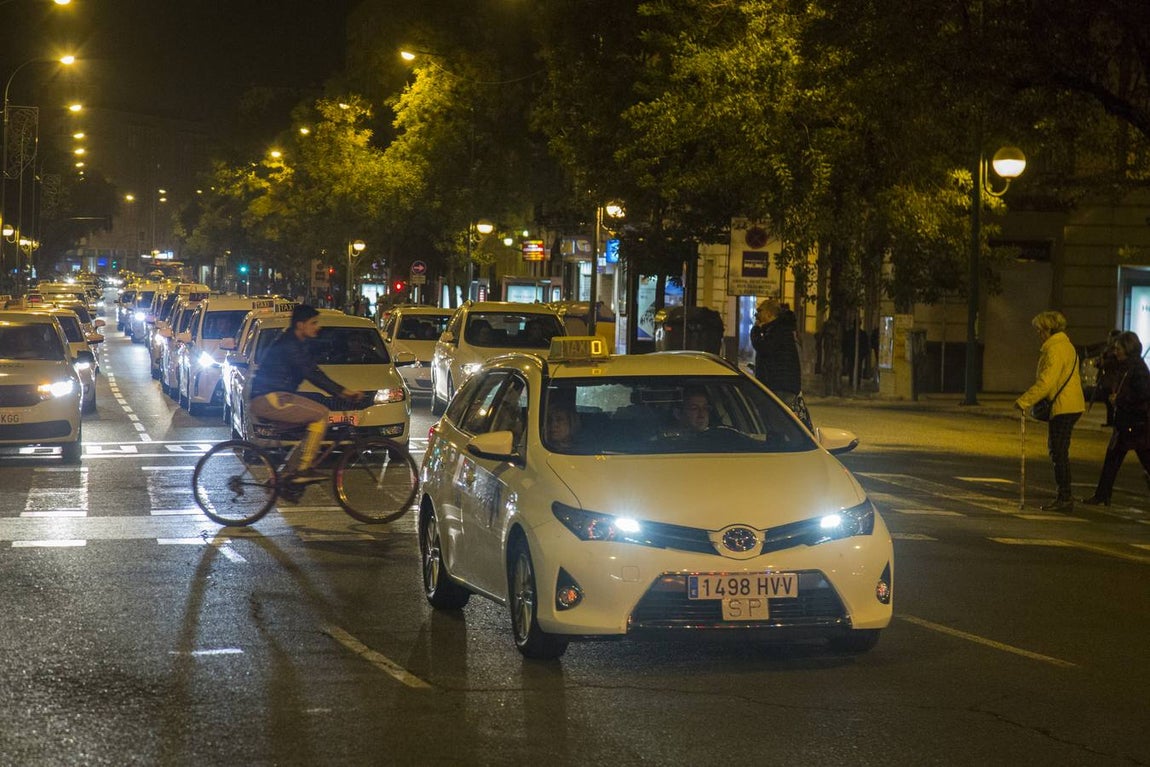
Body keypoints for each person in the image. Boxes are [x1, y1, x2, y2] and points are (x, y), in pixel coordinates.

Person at [248, 305, 365, 483]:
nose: (317, 327)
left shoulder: (297, 342)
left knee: (313, 423)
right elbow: (311, 373)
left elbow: (314, 369)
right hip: (270, 398)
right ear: (300, 325)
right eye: (313, 323)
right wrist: (343, 392)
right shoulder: (290, 345)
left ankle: (287, 475)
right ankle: (302, 469)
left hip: (277, 395)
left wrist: (340, 391)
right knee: (321, 414)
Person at [1014, 310, 1086, 511]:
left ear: (1049, 329)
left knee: (1058, 452)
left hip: (1064, 406)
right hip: (1070, 404)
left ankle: (1065, 497)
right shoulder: (1067, 346)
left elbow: (1046, 382)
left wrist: (1024, 401)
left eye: (1040, 330)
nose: (1038, 334)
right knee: (1058, 450)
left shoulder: (1055, 350)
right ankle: (1064, 495)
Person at [1082, 331, 1150, 506]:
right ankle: (1102, 494)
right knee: (1112, 460)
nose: (1116, 351)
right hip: (1125, 422)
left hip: (1135, 424)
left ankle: (1102, 495)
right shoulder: (1126, 366)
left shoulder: (1138, 369)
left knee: (1142, 459)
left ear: (1128, 348)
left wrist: (1120, 399)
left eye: (1118, 349)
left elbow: (1143, 395)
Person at [750, 298, 810, 427]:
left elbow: (763, 347)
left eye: (760, 311)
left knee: (775, 423)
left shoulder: (778, 330)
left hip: (780, 386)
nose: (757, 315)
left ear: (769, 313)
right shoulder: (777, 329)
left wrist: (755, 330)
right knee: (774, 422)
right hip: (781, 384)